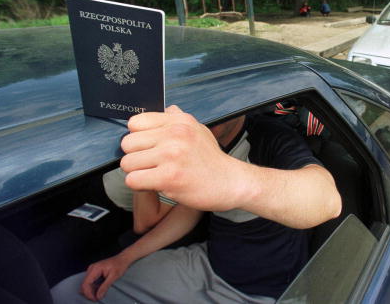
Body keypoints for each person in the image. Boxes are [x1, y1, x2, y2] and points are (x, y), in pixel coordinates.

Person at [51, 105, 341, 303]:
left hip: (260, 292)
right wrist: (124, 258)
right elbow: (189, 211)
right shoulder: (195, 140)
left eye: (211, 111)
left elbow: (326, 200)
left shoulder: (270, 137)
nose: (197, 124)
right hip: (204, 263)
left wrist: (231, 178)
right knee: (69, 292)